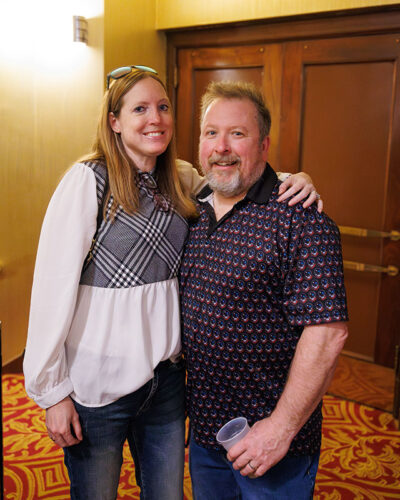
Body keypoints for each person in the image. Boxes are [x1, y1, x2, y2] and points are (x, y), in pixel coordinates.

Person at [23, 65, 322, 500]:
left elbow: (235, 178)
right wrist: (51, 392)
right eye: (139, 108)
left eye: (163, 107)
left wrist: (296, 179)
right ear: (114, 121)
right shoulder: (88, 181)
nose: (155, 118)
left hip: (164, 385)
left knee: (166, 494)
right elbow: (51, 290)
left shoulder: (179, 178)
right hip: (97, 385)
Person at [179, 80, 349, 500]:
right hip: (206, 434)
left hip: (275, 444)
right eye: (211, 133)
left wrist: (280, 429)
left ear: (264, 145)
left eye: (237, 134)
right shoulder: (190, 211)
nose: (221, 146)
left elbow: (327, 334)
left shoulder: (300, 219)